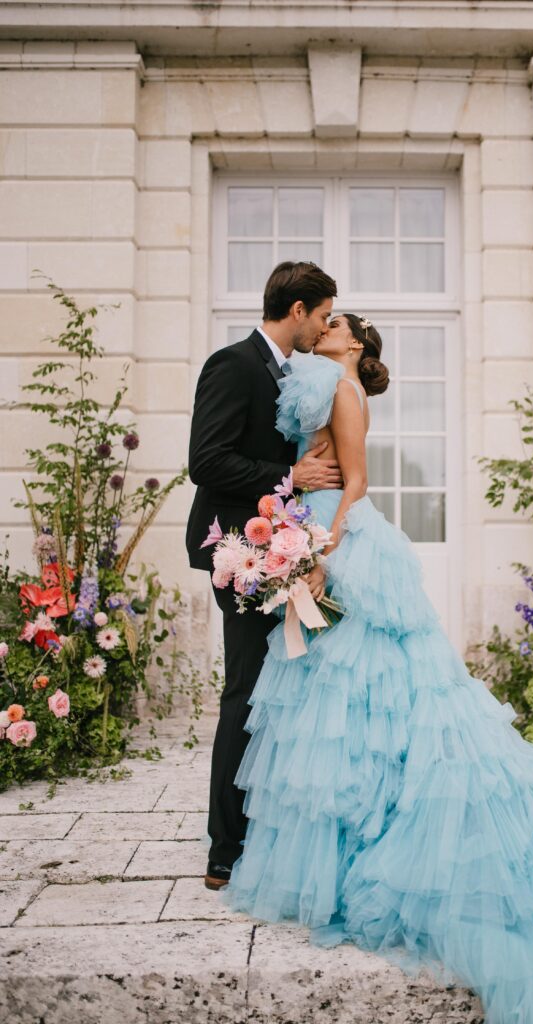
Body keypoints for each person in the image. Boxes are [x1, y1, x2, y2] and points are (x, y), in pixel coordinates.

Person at [223, 313, 533, 1023]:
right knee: (335, 692)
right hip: (307, 530)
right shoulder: (321, 380)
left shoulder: (346, 388)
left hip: (339, 540)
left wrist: (322, 553)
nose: (329, 323)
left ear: (355, 345)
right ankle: (350, 829)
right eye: (328, 315)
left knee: (371, 687)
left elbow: (357, 483)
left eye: (339, 322)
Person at [186, 261, 343, 891]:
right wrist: (288, 480)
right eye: (324, 315)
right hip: (240, 556)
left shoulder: (289, 374)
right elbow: (206, 460)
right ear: (298, 309)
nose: (326, 327)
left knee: (275, 696)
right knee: (244, 695)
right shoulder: (234, 364)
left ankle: (262, 829)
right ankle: (224, 850)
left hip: (286, 554)